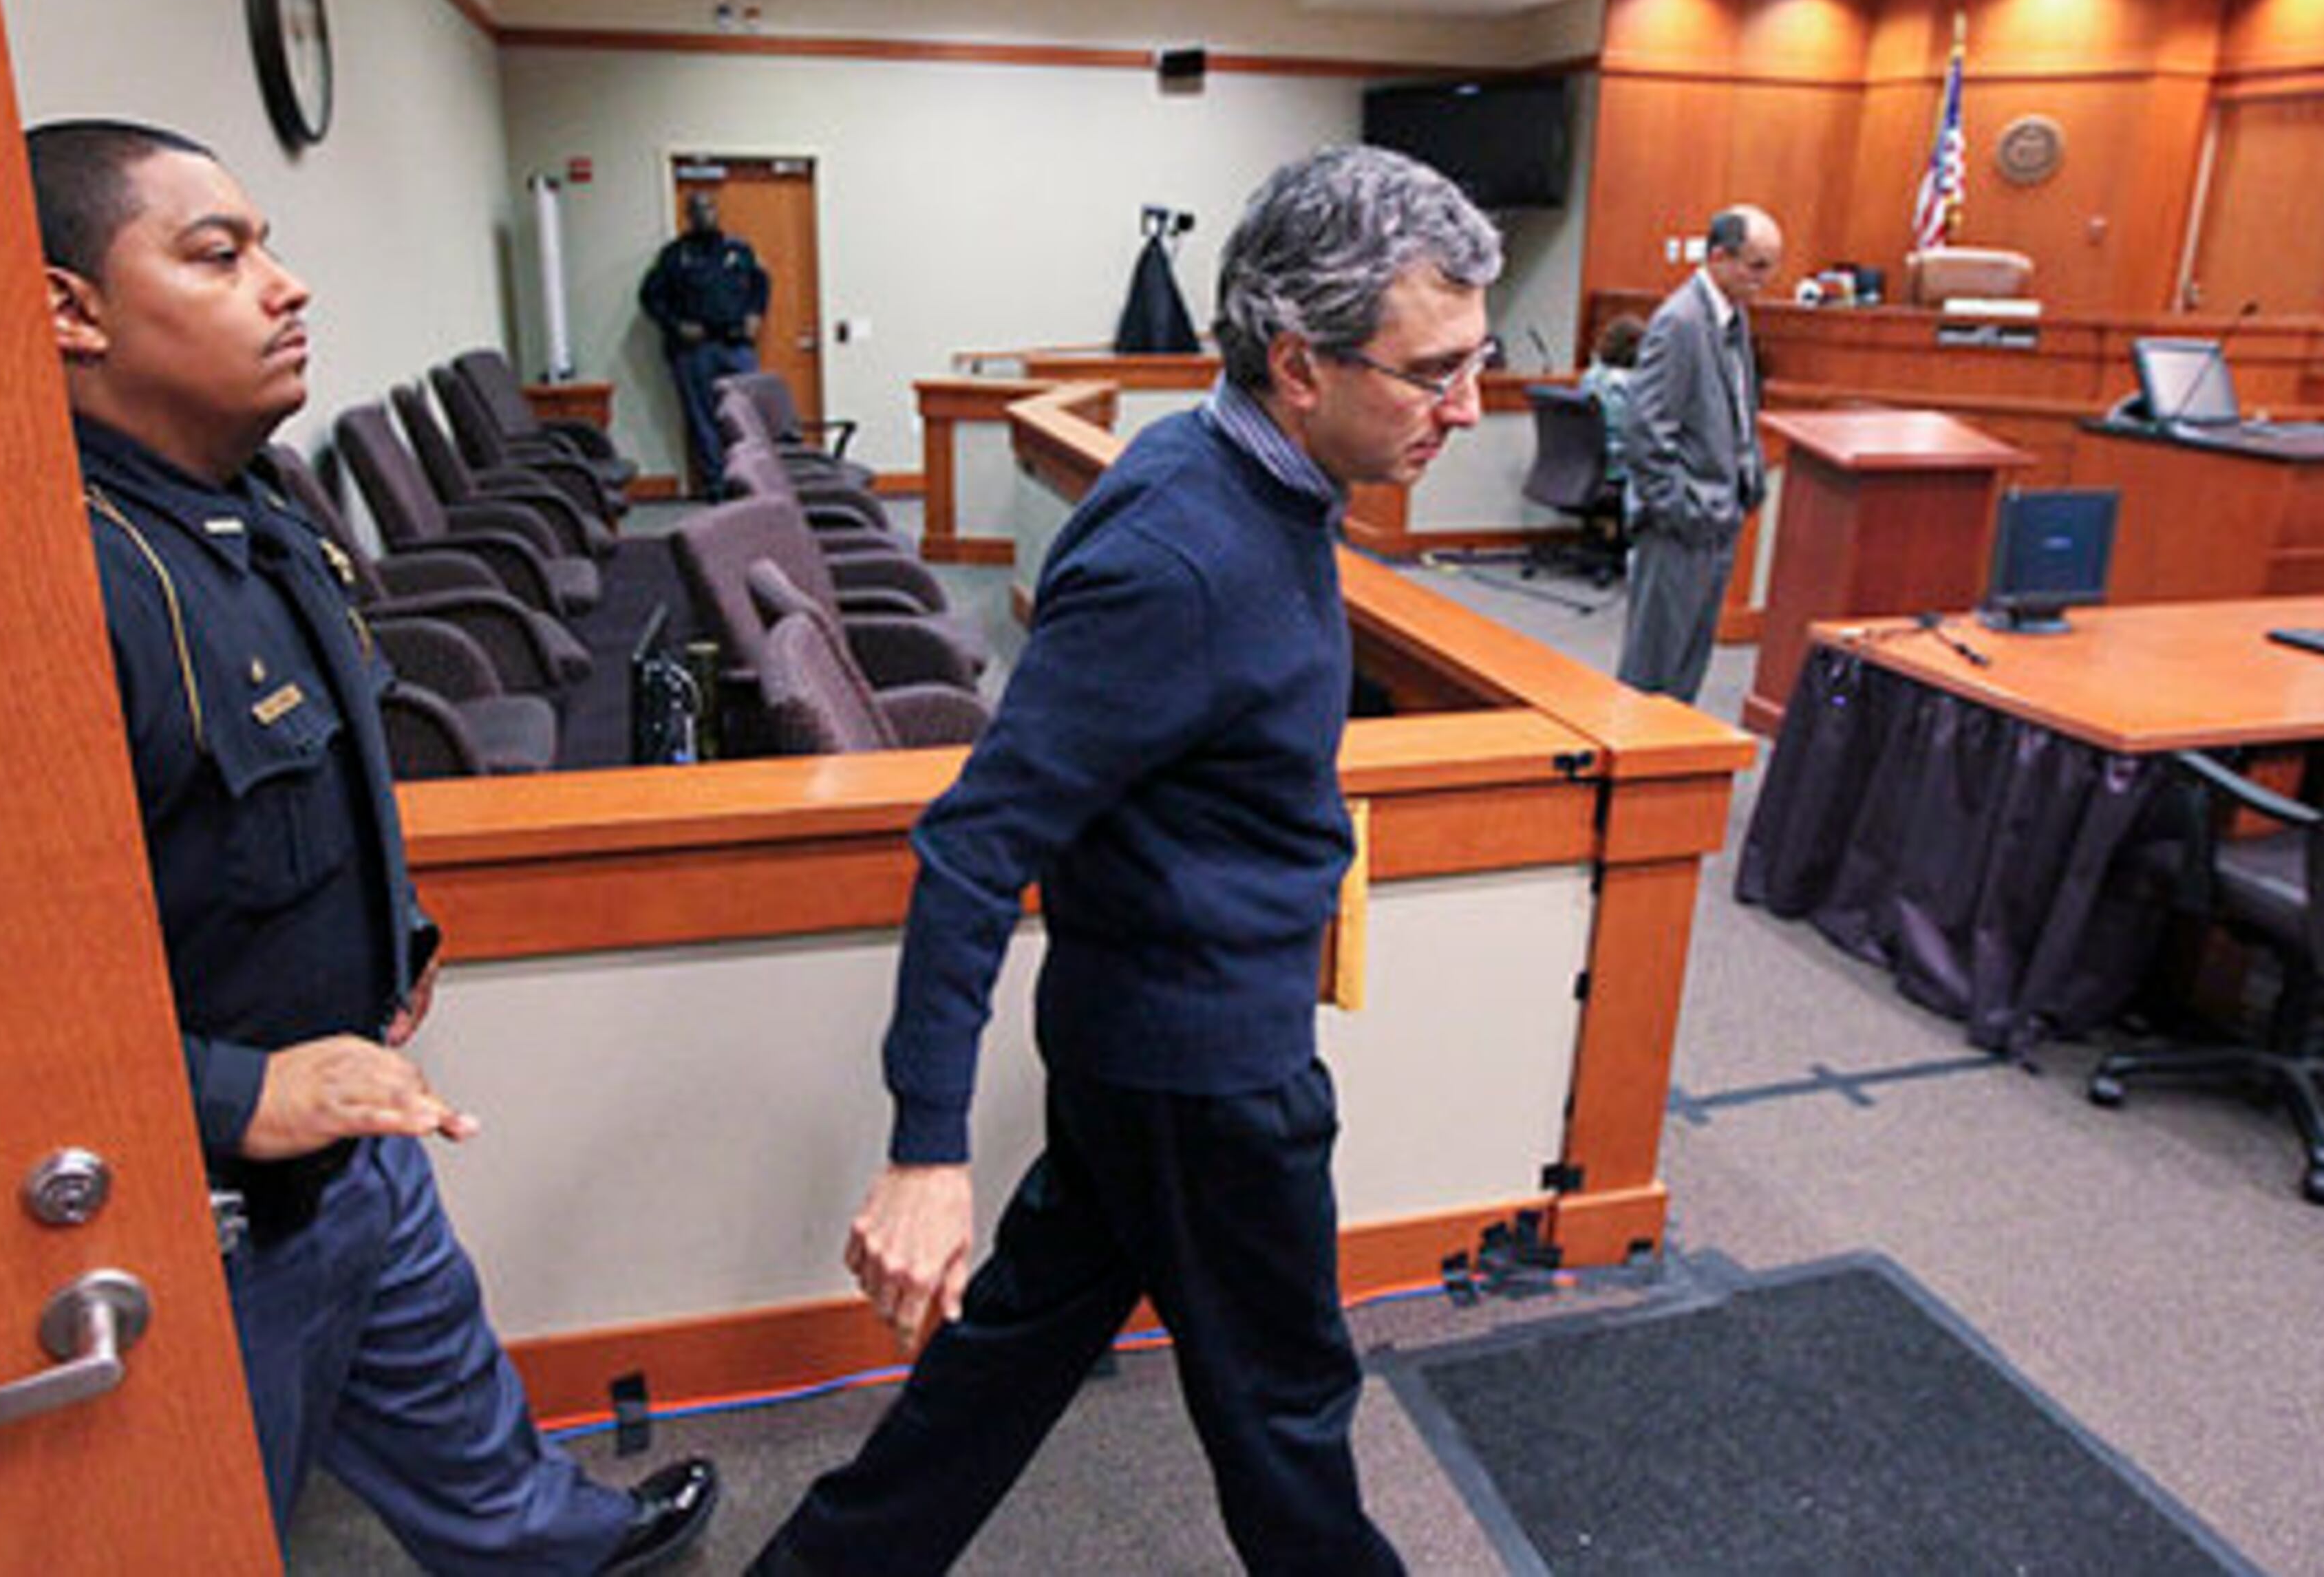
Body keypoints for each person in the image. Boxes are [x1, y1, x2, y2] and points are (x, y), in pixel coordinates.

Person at [751, 145, 1501, 1576]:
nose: (1466, 408)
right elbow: (976, 847)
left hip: (1144, 1043)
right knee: (1289, 1415)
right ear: (1298, 364)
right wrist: (925, 1148)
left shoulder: (1237, 464)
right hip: (1206, 1077)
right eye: (1433, 372)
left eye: (1474, 363)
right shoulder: (1182, 549)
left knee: (1005, 1367)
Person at [27, 119, 716, 1575]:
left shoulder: (249, 500)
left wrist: (390, 939)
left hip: (354, 1119)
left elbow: (316, 761)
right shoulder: (54, 582)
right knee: (209, 1519)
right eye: (220, 256)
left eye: (270, 245)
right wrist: (230, 1092)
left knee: (460, 1416)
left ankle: (564, 1548)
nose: (286, 287)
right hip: (210, 1208)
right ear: (67, 310)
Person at [1617, 204, 1784, 702]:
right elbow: (1644, 431)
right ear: (1718, 257)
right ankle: (1638, 775)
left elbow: (1736, 407)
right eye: (1757, 266)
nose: (1767, 279)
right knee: (1652, 671)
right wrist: (1680, 509)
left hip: (1718, 518)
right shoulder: (1681, 321)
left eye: (1772, 266)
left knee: (1687, 665)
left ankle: (1673, 774)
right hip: (1682, 526)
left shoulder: (1733, 317)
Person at [639, 188, 769, 498]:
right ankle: (715, 485)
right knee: (703, 421)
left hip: (737, 345)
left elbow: (761, 284)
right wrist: (676, 326)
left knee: (746, 417)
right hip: (694, 351)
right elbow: (651, 298)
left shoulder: (738, 250)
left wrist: (756, 314)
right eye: (697, 209)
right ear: (688, 216)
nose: (704, 214)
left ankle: (750, 483)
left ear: (717, 210)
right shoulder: (674, 255)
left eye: (709, 207)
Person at [1578, 312, 1646, 513]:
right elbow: (1630, 433)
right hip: (1614, 468)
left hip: (1586, 467)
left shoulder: (1591, 375)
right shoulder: (1623, 385)